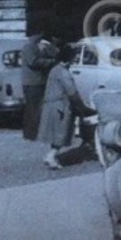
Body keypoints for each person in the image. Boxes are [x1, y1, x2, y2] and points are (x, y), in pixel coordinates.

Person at [39, 42, 91, 170]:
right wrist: (83, 108)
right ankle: (51, 157)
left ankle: (52, 156)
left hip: (50, 104)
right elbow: (72, 93)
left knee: (56, 133)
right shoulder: (64, 73)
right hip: (60, 107)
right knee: (61, 133)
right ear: (69, 58)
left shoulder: (54, 70)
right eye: (74, 56)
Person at [20, 32, 58, 142]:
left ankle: (32, 132)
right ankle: (31, 133)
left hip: (36, 82)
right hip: (32, 83)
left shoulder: (35, 46)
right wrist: (50, 62)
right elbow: (33, 62)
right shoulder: (29, 47)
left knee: (35, 109)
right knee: (33, 110)